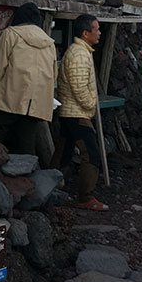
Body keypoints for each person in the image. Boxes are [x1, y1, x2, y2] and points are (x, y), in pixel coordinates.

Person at [0, 2, 57, 155]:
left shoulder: (10, 34)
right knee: (27, 147)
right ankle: (29, 178)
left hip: (8, 100)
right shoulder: (49, 43)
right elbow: (53, 75)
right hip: (35, 106)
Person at [52, 14, 107, 211]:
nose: (100, 32)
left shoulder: (80, 51)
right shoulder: (79, 54)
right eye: (97, 29)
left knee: (64, 151)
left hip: (70, 112)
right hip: (77, 113)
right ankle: (86, 197)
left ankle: (52, 188)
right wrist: (91, 103)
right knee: (91, 153)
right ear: (85, 33)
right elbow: (79, 86)